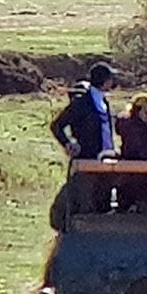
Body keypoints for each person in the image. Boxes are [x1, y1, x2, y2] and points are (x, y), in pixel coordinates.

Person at [50, 62, 119, 213]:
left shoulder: (104, 102)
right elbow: (57, 125)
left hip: (106, 160)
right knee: (86, 204)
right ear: (104, 80)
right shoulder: (82, 103)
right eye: (110, 78)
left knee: (104, 204)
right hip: (86, 161)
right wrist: (68, 143)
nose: (112, 81)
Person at [114, 93, 147, 213]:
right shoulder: (133, 127)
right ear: (138, 111)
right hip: (137, 175)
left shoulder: (145, 126)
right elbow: (140, 150)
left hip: (138, 173)